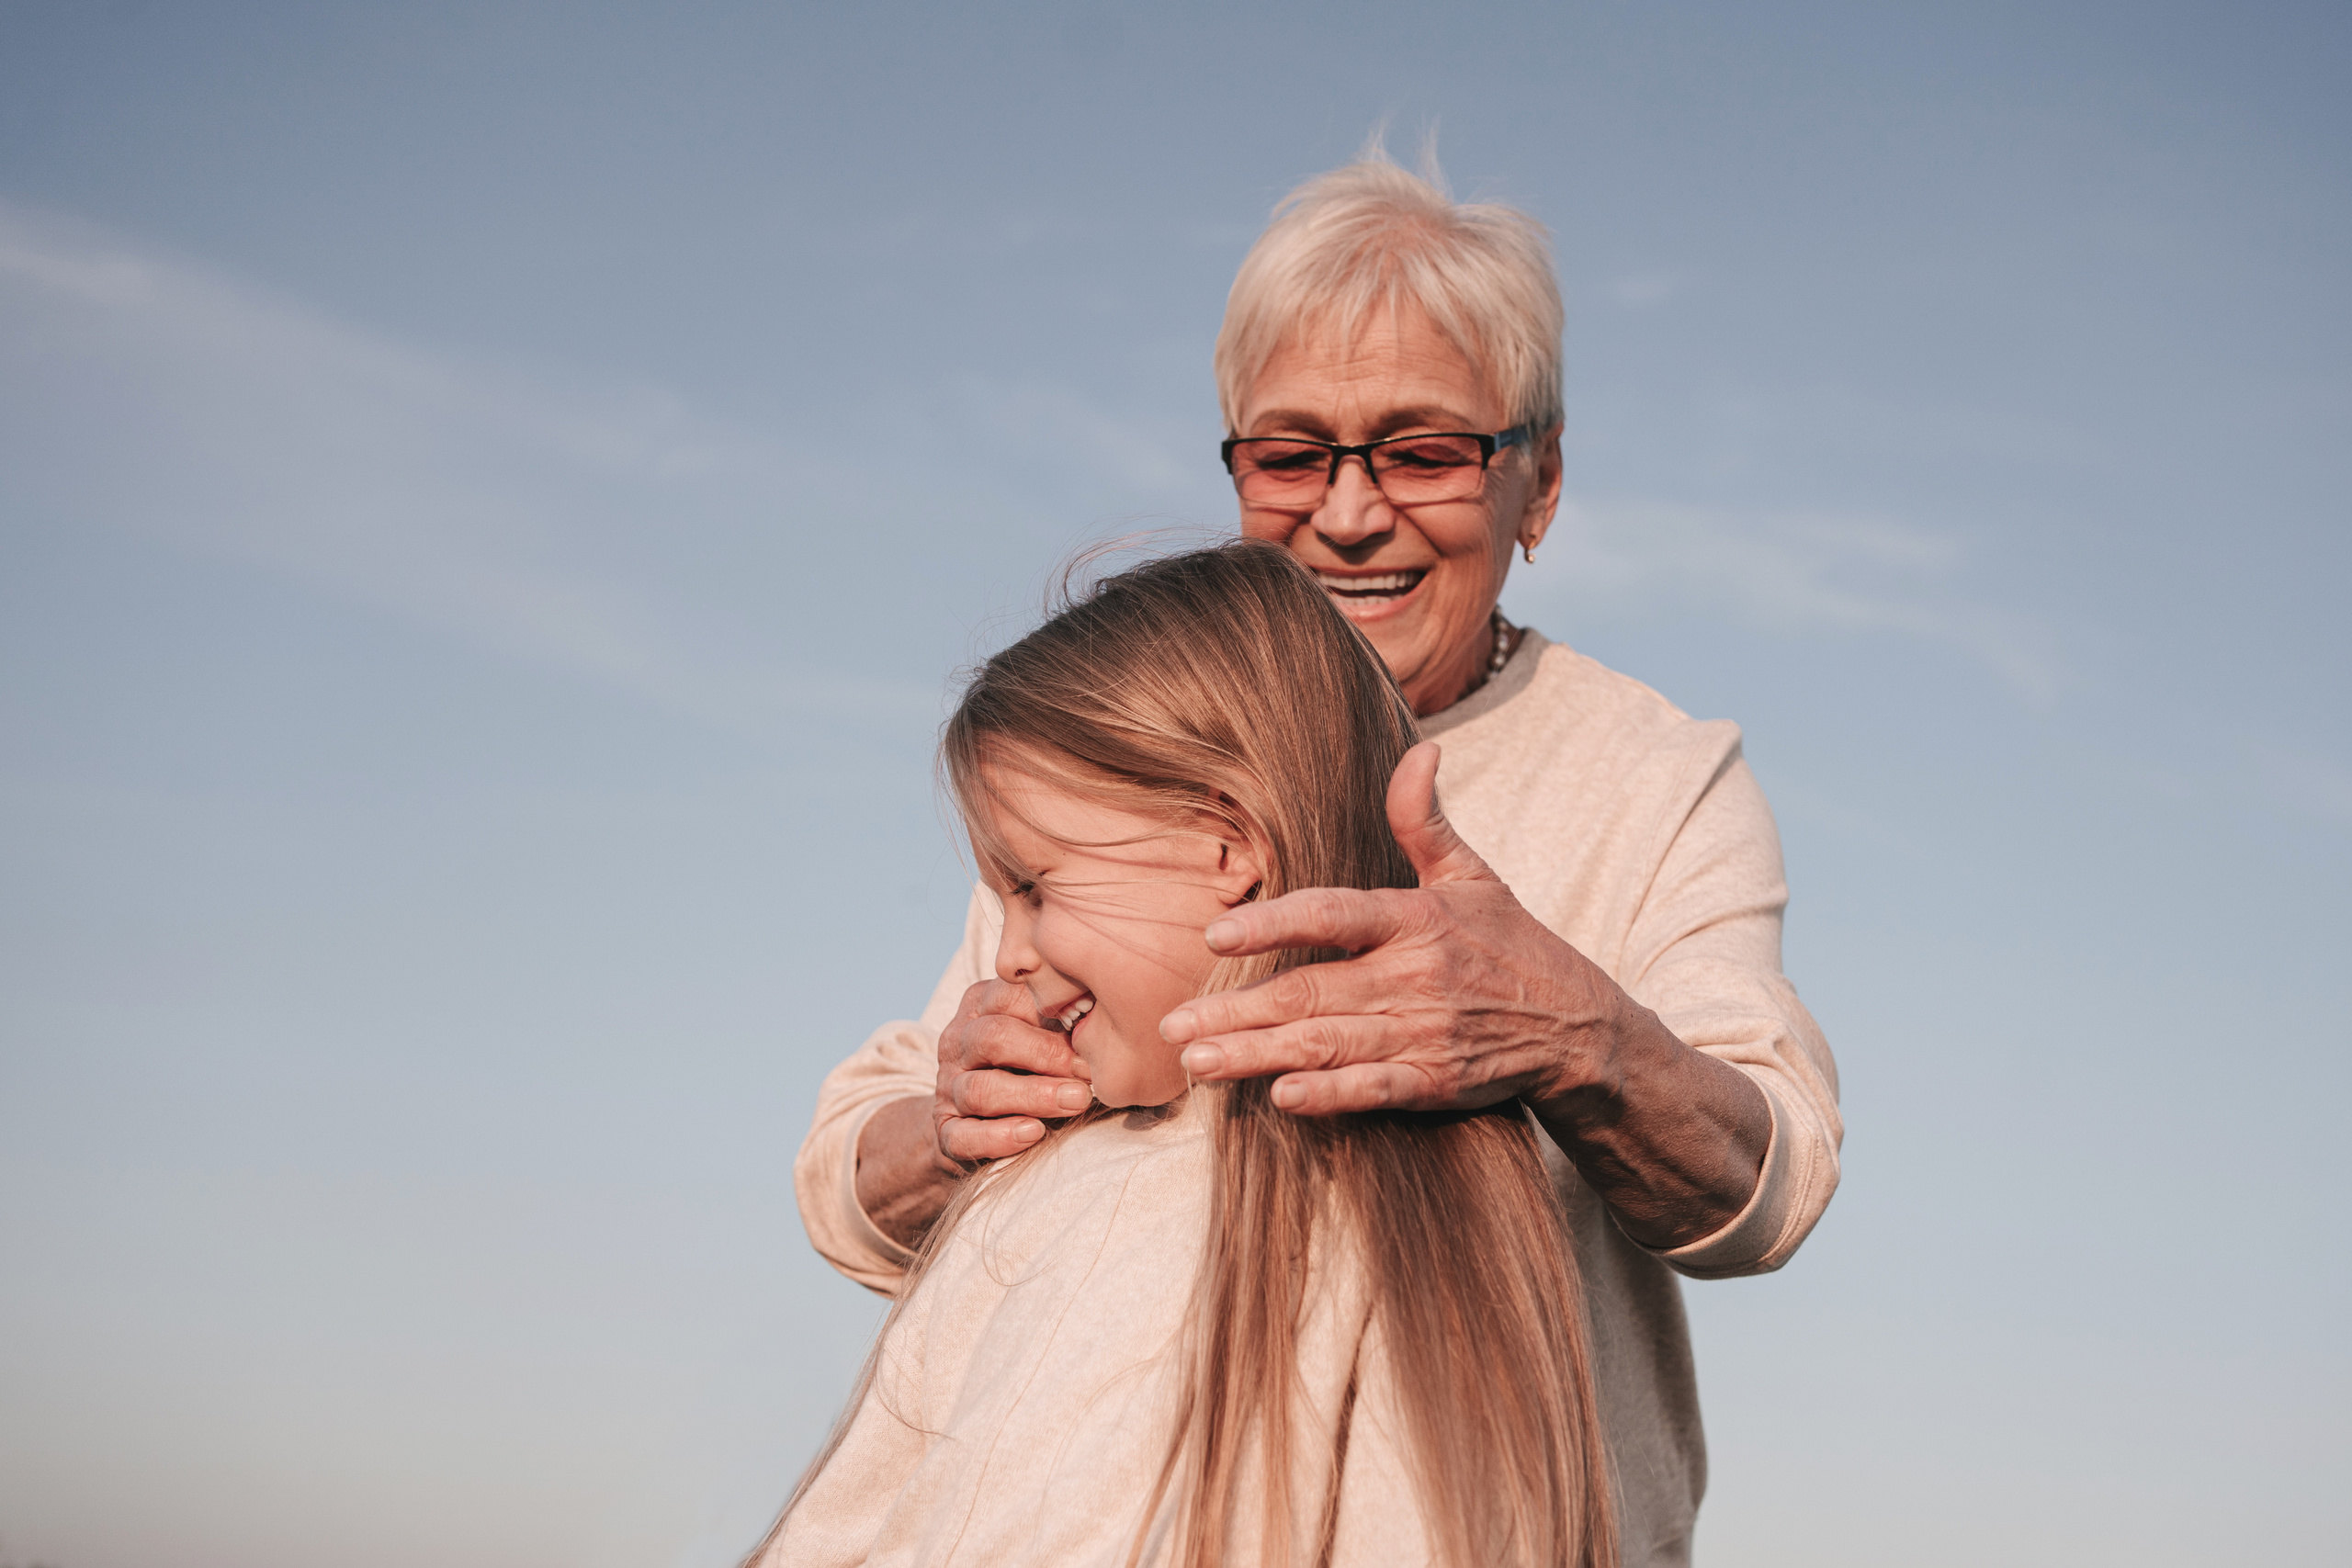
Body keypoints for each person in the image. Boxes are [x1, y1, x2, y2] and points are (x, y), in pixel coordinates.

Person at [796, 146, 1842, 1566]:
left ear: (1535, 485)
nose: (1347, 512)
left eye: (1421, 450)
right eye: (1290, 453)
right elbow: (854, 1178)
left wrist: (1577, 1035)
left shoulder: (1657, 773)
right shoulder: (1138, 742)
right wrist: (955, 1114)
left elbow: (1764, 1184)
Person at [763, 543, 1617, 1567]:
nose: (1007, 957)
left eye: (1034, 887)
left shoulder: (1119, 1202)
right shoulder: (1471, 1202)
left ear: (1226, 843)